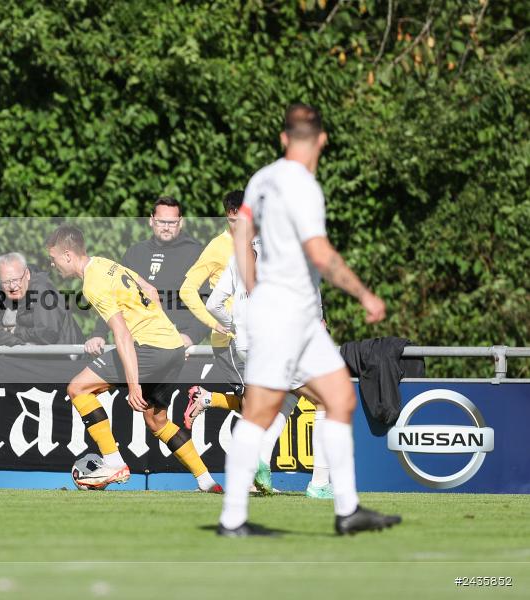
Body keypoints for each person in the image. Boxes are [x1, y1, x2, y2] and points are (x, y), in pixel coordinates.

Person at [218, 103, 400, 536]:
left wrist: (252, 287)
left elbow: (242, 234)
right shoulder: (304, 186)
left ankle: (347, 509)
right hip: (286, 313)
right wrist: (362, 293)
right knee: (262, 410)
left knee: (340, 398)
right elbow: (320, 253)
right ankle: (232, 519)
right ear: (322, 140)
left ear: (283, 138)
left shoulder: (261, 179)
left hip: (297, 315)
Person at [46, 225, 221, 492]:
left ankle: (113, 462)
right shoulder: (105, 264)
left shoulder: (92, 284)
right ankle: (207, 481)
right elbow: (150, 290)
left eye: (54, 257)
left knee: (77, 388)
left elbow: (123, 335)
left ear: (68, 255)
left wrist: (134, 383)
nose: (52, 263)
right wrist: (165, 334)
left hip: (148, 348)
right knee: (156, 421)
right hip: (173, 346)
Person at [190, 226, 334, 499]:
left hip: (245, 347)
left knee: (288, 398)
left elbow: (213, 305)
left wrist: (237, 325)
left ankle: (259, 465)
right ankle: (319, 483)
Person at [84, 196, 209, 354]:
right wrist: (99, 334)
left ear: (181, 222)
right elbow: (114, 297)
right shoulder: (135, 253)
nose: (166, 227)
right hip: (137, 346)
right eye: (161, 221)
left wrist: (190, 336)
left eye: (172, 222)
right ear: (151, 220)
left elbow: (209, 302)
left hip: (178, 347)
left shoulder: (196, 254)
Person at [0, 252, 83, 346]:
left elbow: (47, 334)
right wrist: (18, 343)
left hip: (64, 358)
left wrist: (15, 331)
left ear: (27, 274)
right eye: (6, 282)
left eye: (16, 280)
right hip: (24, 355)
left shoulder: (44, 291)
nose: (12, 286)